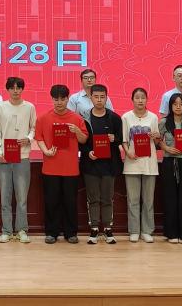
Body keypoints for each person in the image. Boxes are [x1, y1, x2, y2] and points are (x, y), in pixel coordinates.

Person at [35, 84, 88, 244]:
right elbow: (39, 138)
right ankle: (51, 232)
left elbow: (84, 139)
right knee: (51, 202)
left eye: (62, 99)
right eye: (56, 99)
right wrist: (46, 151)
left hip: (70, 168)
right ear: (52, 99)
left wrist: (77, 131)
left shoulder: (76, 119)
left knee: (70, 202)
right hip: (50, 167)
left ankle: (71, 233)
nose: (59, 102)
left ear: (67, 99)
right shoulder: (43, 118)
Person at [0, 77, 37, 243]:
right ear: (8, 90)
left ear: (22, 89)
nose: (16, 91)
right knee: (5, 197)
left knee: (22, 197)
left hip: (22, 157)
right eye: (12, 88)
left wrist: (29, 138)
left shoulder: (29, 107)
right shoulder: (1, 107)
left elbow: (34, 128)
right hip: (4, 157)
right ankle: (6, 230)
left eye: (19, 88)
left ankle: (22, 230)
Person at [79, 84, 123, 245]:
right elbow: (81, 141)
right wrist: (87, 152)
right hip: (90, 165)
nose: (99, 100)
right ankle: (94, 229)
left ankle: (108, 229)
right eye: (96, 97)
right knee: (93, 199)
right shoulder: (84, 119)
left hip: (109, 165)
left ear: (106, 98)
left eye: (102, 97)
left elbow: (122, 139)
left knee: (107, 198)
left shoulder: (115, 118)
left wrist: (114, 139)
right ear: (91, 98)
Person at [121, 87, 159, 243]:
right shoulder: (126, 117)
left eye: (143, 97)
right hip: (132, 163)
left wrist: (156, 136)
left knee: (148, 200)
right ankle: (134, 230)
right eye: (137, 97)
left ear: (147, 99)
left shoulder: (153, 117)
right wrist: (127, 153)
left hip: (149, 163)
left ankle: (147, 231)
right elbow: (124, 140)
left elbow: (157, 140)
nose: (140, 100)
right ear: (132, 100)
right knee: (133, 200)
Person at [157, 92, 182, 244]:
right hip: (169, 161)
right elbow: (158, 141)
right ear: (170, 106)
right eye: (175, 104)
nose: (178, 107)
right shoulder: (163, 122)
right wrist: (166, 148)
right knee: (170, 197)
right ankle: (171, 233)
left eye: (181, 104)